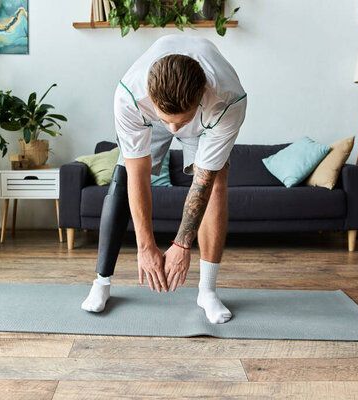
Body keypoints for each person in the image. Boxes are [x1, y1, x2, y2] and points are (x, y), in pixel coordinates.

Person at [81, 34, 247, 324]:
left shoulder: (228, 100)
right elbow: (139, 175)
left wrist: (182, 246)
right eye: (167, 120)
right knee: (122, 177)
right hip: (149, 114)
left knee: (217, 181)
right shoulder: (129, 96)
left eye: (179, 122)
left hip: (203, 122)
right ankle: (101, 283)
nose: (172, 129)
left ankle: (207, 291)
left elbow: (203, 181)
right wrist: (145, 247)